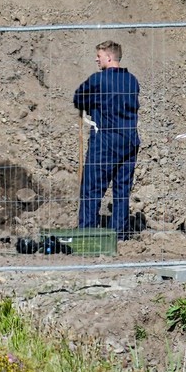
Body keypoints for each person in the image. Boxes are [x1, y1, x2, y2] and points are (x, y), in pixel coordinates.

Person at [73, 40, 141, 240]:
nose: (96, 58)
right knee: (121, 190)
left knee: (92, 187)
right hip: (129, 141)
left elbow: (79, 98)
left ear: (109, 57)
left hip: (105, 140)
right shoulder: (132, 80)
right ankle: (119, 234)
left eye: (99, 55)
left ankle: (87, 233)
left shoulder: (98, 80)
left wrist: (92, 104)